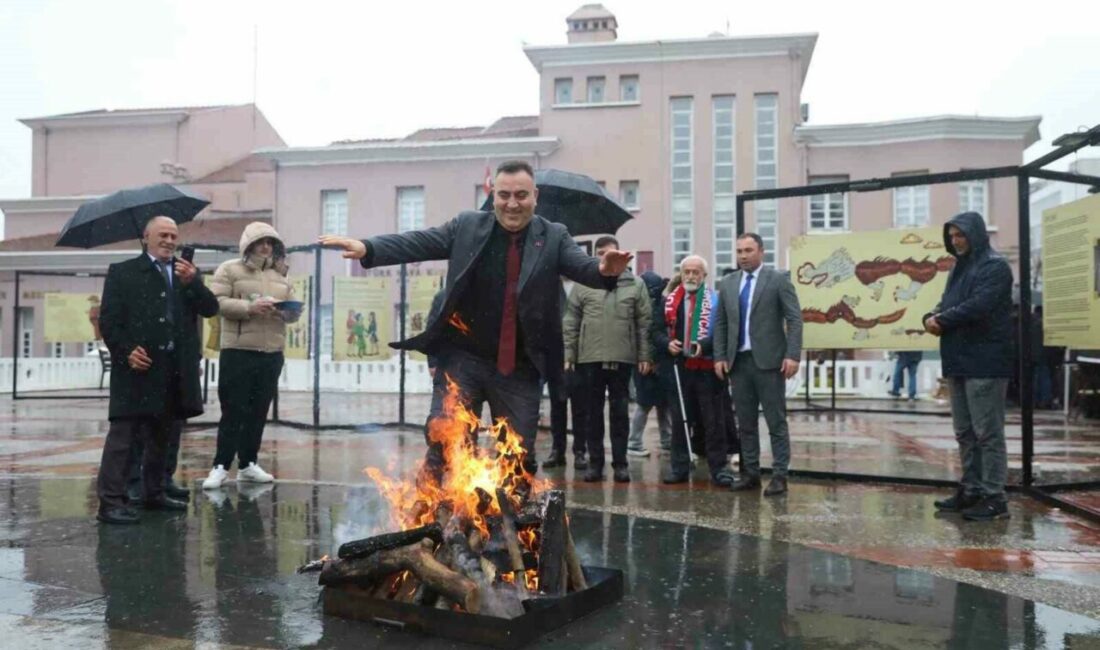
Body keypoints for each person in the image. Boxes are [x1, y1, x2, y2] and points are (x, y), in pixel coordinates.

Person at [318, 160, 631, 476]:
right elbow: (418, 242)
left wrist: (604, 269)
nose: (512, 204)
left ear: (534, 195)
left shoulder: (553, 236)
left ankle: (512, 522)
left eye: (521, 195)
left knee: (518, 460)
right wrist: (368, 248)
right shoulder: (467, 226)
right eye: (504, 194)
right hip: (463, 360)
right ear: (493, 194)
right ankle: (437, 516)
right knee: (446, 446)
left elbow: (584, 267)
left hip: (519, 368)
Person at [95, 216, 219, 524]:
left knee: (163, 436)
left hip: (174, 371)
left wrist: (195, 283)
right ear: (146, 237)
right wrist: (125, 352)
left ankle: (154, 492)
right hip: (138, 369)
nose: (169, 240)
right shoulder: (123, 272)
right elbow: (109, 321)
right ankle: (111, 502)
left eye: (174, 236)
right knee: (125, 438)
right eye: (163, 235)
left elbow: (210, 309)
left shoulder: (185, 274)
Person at [925, 212, 1013, 521]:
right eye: (951, 236)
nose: (955, 241)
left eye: (960, 235)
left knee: (987, 432)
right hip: (959, 360)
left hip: (985, 362)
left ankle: (994, 497)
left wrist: (941, 320)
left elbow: (979, 306)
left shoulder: (995, 266)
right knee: (964, 432)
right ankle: (972, 489)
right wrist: (931, 315)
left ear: (975, 234)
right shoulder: (959, 268)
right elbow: (947, 303)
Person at [202, 222, 298, 490]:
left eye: (270, 243)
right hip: (238, 351)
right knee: (233, 411)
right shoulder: (229, 269)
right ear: (248, 245)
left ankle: (247, 464)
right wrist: (249, 307)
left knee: (258, 411)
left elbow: (293, 313)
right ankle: (220, 466)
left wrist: (286, 311)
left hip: (271, 353)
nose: (266, 247)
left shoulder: (281, 276)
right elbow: (215, 303)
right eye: (260, 242)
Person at [714, 232, 803, 497]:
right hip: (738, 363)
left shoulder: (777, 280)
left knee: (776, 422)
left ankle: (779, 476)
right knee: (746, 423)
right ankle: (750, 474)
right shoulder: (728, 282)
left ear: (761, 251)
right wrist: (719, 356)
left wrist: (793, 355)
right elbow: (720, 323)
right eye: (739, 251)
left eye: (748, 250)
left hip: (770, 363)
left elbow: (794, 319)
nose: (743, 256)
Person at [561, 235, 653, 483]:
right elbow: (571, 320)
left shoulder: (635, 285)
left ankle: (621, 464)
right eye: (600, 252)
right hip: (589, 357)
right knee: (592, 414)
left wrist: (644, 355)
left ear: (621, 255)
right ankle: (595, 464)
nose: (605, 257)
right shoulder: (584, 285)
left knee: (620, 413)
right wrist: (569, 353)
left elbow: (644, 323)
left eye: (610, 252)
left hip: (623, 358)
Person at [651, 255, 734, 487]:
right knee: (680, 420)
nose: (690, 276)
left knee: (713, 421)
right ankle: (679, 467)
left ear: (704, 276)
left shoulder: (715, 301)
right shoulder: (668, 300)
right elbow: (655, 330)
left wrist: (704, 346)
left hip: (707, 369)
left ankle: (719, 469)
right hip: (679, 369)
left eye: (695, 272)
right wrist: (666, 344)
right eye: (686, 271)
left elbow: (722, 332)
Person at [627, 271, 673, 457]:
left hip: (651, 363)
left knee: (660, 405)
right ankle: (635, 442)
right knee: (646, 405)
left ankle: (665, 440)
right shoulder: (648, 304)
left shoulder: (649, 303)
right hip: (646, 364)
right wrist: (648, 358)